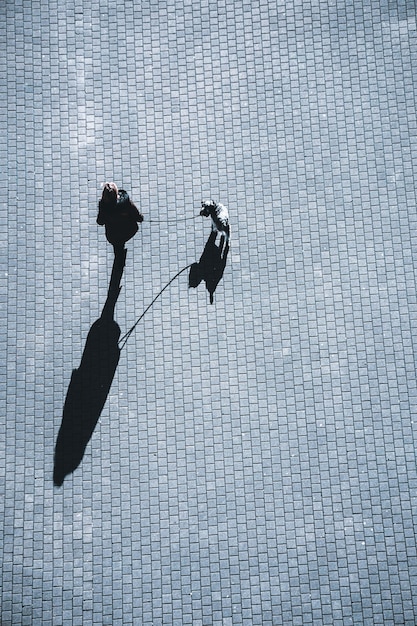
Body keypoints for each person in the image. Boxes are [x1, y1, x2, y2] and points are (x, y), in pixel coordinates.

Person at [97, 182, 143, 255]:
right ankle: (120, 256)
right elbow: (137, 215)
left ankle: (120, 257)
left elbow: (100, 221)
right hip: (129, 230)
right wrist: (140, 218)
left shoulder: (104, 207)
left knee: (117, 246)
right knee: (121, 241)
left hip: (113, 236)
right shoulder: (125, 203)